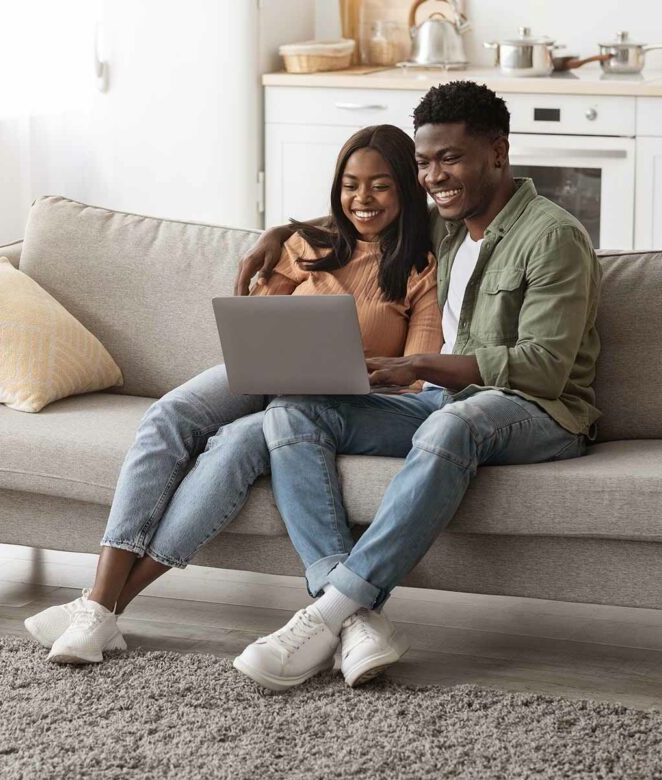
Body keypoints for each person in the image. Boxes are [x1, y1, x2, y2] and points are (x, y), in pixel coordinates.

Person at [229, 80, 603, 692]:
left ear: (498, 153)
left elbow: (543, 367)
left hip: (542, 412)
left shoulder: (551, 235)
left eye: (450, 159)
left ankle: (324, 613)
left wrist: (421, 367)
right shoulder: (450, 225)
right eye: (425, 163)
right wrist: (285, 233)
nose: (434, 177)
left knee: (451, 422)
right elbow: (371, 210)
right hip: (447, 402)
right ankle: (356, 622)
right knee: (295, 410)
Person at [23, 124, 443, 665]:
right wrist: (283, 238)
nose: (362, 199)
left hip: (337, 400)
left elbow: (413, 376)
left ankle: (100, 610)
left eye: (380, 186)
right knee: (169, 415)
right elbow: (258, 318)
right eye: (349, 184)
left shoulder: (422, 268)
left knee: (236, 450)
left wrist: (356, 368)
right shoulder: (305, 245)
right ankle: (101, 601)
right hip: (266, 370)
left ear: (407, 188)